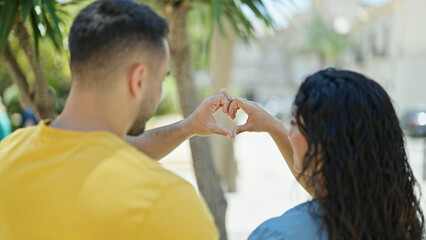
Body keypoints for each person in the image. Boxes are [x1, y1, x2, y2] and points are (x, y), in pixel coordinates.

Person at [0, 1, 234, 239]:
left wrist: (189, 127)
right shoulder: (167, 201)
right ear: (139, 80)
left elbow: (93, 151)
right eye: (162, 79)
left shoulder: (8, 152)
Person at [228, 69, 424, 240]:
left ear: (323, 144)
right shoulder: (396, 220)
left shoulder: (278, 234)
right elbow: (334, 192)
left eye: (295, 124)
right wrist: (272, 126)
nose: (289, 133)